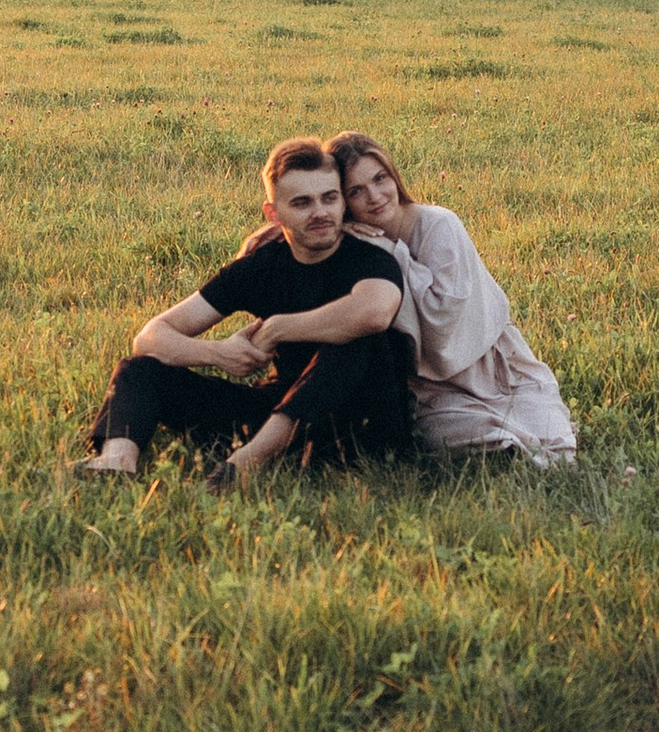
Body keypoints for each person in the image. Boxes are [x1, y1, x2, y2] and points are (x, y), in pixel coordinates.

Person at [80, 137, 416, 487]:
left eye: (329, 198)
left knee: (353, 338)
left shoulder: (369, 257)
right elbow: (150, 338)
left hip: (359, 426)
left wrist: (278, 329)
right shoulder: (263, 266)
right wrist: (218, 353)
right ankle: (116, 461)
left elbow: (374, 312)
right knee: (140, 369)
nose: (320, 212)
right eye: (302, 203)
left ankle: (244, 464)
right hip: (276, 413)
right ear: (274, 214)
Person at [328, 130, 577, 463]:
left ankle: (522, 438)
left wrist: (392, 253)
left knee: (549, 436)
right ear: (343, 201)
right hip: (432, 388)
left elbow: (445, 316)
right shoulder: (355, 242)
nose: (374, 196)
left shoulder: (439, 225)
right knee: (448, 435)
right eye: (356, 191)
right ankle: (501, 447)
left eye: (380, 178)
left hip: (491, 367)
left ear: (394, 176)